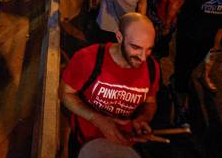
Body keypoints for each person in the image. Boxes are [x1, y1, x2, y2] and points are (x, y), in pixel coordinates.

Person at [60, 13, 160, 158]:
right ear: (119, 37)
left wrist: (143, 118)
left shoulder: (153, 68)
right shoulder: (88, 58)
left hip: (123, 144)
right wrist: (97, 120)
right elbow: (64, 93)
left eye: (149, 49)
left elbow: (150, 101)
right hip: (85, 141)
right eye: (136, 47)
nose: (143, 57)